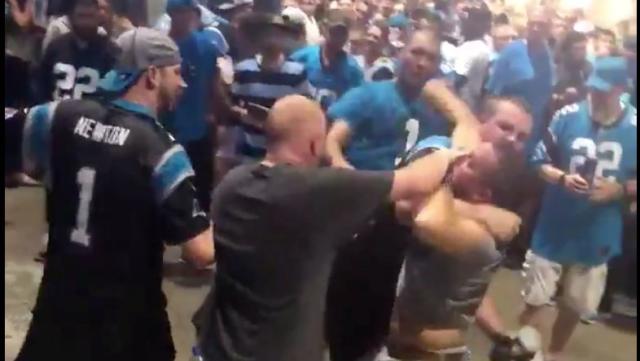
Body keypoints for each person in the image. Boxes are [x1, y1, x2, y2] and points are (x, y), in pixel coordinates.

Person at [195, 95, 464, 361]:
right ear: (314, 145)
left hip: (217, 347)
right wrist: (447, 151)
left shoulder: (232, 183)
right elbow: (418, 180)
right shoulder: (318, 191)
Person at [16, 27, 215, 361]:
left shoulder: (57, 115)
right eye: (177, 73)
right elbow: (200, 252)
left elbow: (32, 165)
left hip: (59, 307)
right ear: (151, 74)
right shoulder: (162, 151)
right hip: (127, 322)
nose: (182, 84)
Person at [519, 57, 637, 361]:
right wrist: (560, 177)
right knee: (535, 298)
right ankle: (528, 354)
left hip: (597, 232)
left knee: (574, 303)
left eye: (603, 91)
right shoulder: (567, 115)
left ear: (621, 89)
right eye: (593, 88)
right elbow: (537, 160)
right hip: (554, 225)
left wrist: (620, 189)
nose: (595, 96)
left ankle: (556, 353)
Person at [324, 29, 449, 171]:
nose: (421, 63)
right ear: (400, 53)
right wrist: (348, 175)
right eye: (416, 53)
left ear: (438, 66)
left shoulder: (436, 115)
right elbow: (332, 141)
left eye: (431, 58)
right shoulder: (369, 95)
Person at [163, 0, 225, 215]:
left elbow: (215, 87)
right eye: (178, 11)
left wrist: (219, 118)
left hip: (199, 132)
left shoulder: (207, 47)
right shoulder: (160, 46)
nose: (184, 16)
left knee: (201, 195)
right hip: (165, 132)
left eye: (188, 11)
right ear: (170, 13)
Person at [229, 13, 314, 163]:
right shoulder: (243, 70)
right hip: (249, 155)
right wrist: (244, 115)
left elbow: (305, 113)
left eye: (279, 34)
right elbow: (233, 107)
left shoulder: (297, 73)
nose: (273, 38)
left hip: (282, 157)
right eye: (269, 33)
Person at [485, 5, 554, 155]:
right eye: (532, 23)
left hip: (532, 139)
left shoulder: (549, 57)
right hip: (507, 135)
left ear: (549, 28)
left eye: (541, 25)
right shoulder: (512, 51)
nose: (535, 28)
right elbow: (492, 93)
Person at [35, 0, 119, 102]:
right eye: (82, 16)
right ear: (71, 17)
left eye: (90, 16)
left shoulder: (111, 52)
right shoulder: (55, 47)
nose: (86, 23)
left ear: (98, 17)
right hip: (57, 113)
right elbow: (41, 89)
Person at [290, 10, 364, 110]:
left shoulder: (353, 69)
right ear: (324, 28)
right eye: (335, 32)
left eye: (343, 33)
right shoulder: (302, 57)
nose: (338, 38)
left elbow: (356, 105)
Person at [451, 1, 493, 112]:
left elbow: (456, 80)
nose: (464, 23)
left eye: (469, 19)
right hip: (471, 107)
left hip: (458, 106)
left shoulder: (471, 49)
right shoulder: (485, 46)